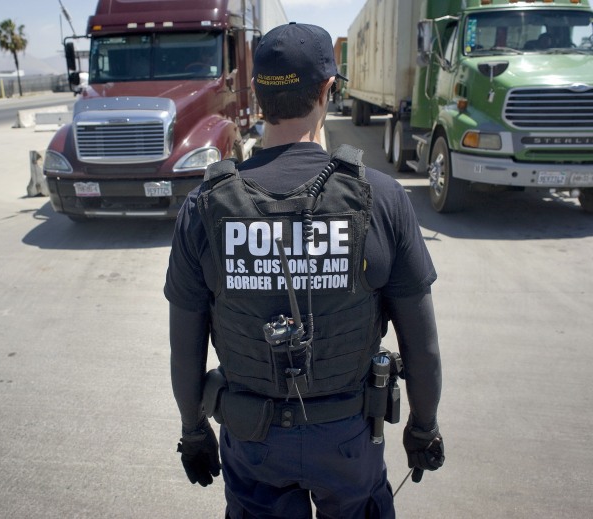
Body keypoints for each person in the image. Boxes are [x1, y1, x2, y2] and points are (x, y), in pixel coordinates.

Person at [165, 22, 444, 518]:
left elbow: (185, 345)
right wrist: (423, 426)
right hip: (349, 442)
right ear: (327, 89)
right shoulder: (381, 197)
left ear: (257, 95)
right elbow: (421, 343)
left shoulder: (204, 205)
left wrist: (192, 429)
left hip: (252, 443)